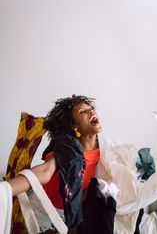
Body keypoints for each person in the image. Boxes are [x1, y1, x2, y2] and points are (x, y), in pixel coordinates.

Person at [8, 95, 104, 234]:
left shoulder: (106, 152)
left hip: (67, 213)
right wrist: (5, 189)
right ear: (73, 125)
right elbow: (45, 171)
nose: (91, 112)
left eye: (91, 109)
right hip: (43, 209)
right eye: (82, 111)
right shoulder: (67, 150)